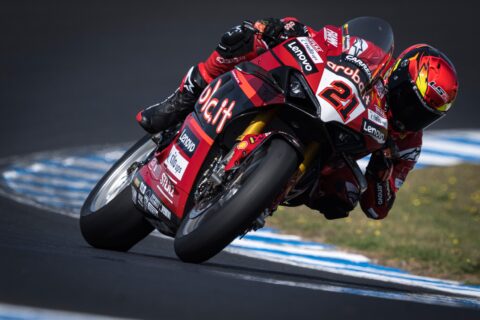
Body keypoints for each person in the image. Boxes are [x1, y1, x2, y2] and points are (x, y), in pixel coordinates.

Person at [136, 18, 458, 220]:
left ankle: (258, 197)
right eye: (407, 100)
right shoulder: (371, 53)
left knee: (343, 194)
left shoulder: (408, 144)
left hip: (332, 151)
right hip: (308, 95)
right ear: (398, 74)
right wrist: (289, 29)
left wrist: (384, 167)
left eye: (421, 115)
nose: (408, 115)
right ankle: (183, 97)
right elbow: (327, 38)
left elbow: (377, 208)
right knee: (244, 37)